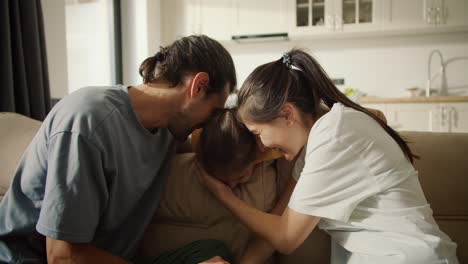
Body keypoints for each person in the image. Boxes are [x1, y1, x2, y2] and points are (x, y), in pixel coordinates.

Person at [198, 49, 459, 264]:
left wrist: (223, 195)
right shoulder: (317, 146)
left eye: (258, 133)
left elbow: (286, 238)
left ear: (287, 115)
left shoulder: (333, 135)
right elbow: (279, 222)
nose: (263, 145)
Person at [0, 35, 236, 264]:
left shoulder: (168, 128)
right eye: (213, 112)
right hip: (27, 259)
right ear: (199, 86)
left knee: (214, 252)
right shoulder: (88, 122)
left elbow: (209, 147)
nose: (208, 123)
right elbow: (64, 257)